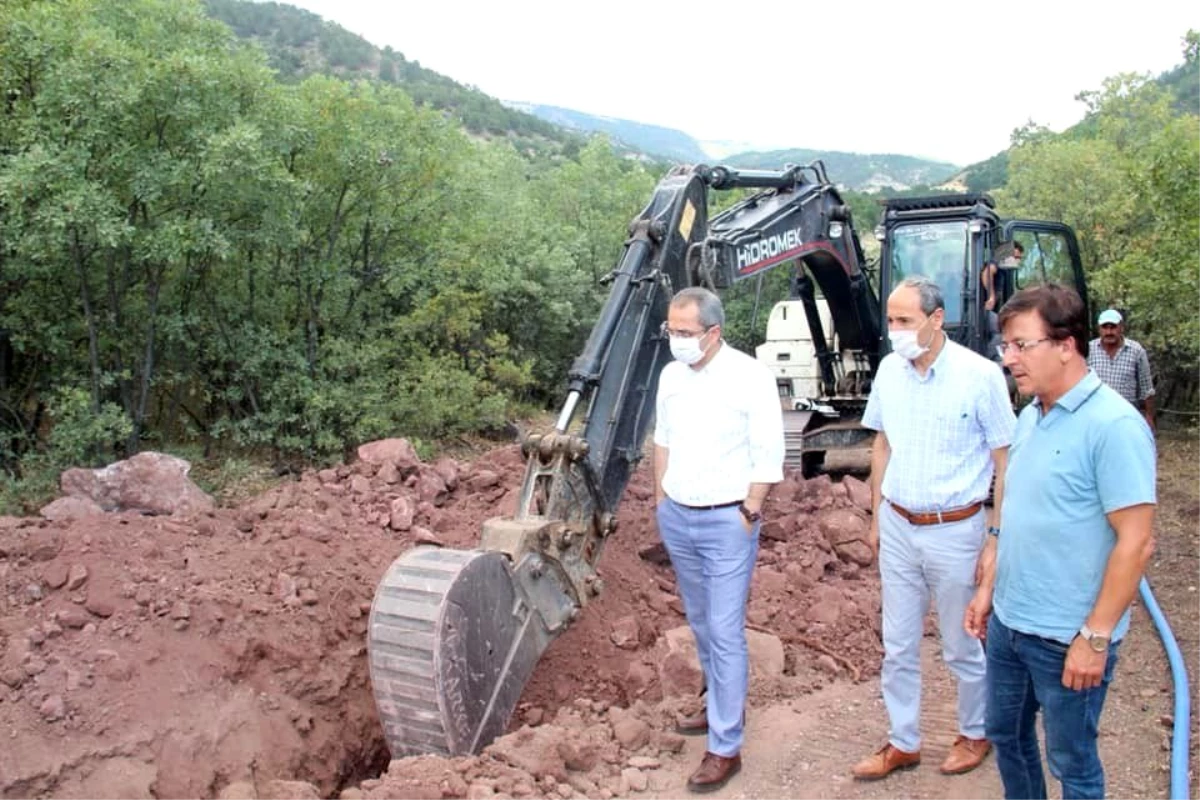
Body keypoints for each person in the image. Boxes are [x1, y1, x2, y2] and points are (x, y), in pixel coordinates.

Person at [965, 284, 1156, 800]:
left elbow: (1136, 543)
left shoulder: (1114, 427)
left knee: (1072, 762)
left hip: (1066, 636)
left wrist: (1094, 637)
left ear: (1067, 345)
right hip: (1010, 624)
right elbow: (1014, 505)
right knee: (1007, 734)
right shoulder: (1032, 415)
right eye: (1006, 347)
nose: (1009, 360)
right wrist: (989, 586)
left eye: (1021, 346)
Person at [851, 276, 1015, 782]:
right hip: (899, 525)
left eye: (905, 321)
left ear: (936, 318)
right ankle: (904, 741)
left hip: (956, 529)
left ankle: (975, 731)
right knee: (897, 643)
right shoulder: (888, 372)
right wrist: (877, 514)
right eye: (891, 321)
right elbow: (882, 444)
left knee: (961, 640)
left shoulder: (980, 376)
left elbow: (1005, 460)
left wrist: (994, 535)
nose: (895, 331)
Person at [652, 286, 784, 793]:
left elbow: (768, 450)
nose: (676, 341)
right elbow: (662, 439)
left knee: (726, 630)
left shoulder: (750, 376)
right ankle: (718, 708)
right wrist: (661, 502)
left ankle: (725, 747)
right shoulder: (670, 377)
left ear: (713, 333)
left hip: (728, 520)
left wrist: (750, 511)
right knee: (703, 624)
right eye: (671, 331)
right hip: (680, 517)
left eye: (685, 333)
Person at [1087, 308, 1155, 432]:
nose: (1109, 332)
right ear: (1099, 329)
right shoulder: (1089, 350)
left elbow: (1147, 388)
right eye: (1105, 327)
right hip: (1095, 418)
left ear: (1121, 328)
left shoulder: (1136, 351)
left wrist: (1149, 417)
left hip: (1127, 417)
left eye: (1113, 327)